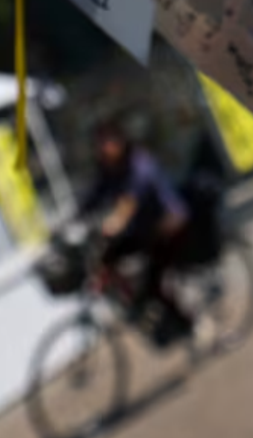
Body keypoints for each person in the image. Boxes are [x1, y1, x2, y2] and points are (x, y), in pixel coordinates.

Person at [79, 120, 195, 346]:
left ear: (121, 140)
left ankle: (187, 325)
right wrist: (72, 221)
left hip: (169, 224)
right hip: (142, 231)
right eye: (100, 143)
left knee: (155, 281)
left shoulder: (140, 163)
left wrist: (115, 222)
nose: (104, 147)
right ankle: (134, 305)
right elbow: (93, 197)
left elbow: (131, 199)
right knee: (107, 258)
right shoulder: (108, 169)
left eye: (108, 140)